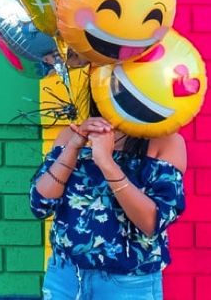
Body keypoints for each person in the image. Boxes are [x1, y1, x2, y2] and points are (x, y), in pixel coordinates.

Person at [29, 101, 187, 300]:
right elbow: (40, 205)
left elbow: (152, 222)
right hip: (65, 278)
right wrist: (74, 146)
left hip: (128, 284)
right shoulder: (71, 136)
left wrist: (105, 161)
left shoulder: (165, 142)